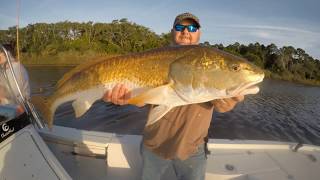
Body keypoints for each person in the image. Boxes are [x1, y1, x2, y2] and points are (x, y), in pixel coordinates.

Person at [103, 12, 244, 180]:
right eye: (180, 27)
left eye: (192, 28)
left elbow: (222, 105)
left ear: (199, 33)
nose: (185, 31)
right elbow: (143, 100)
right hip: (154, 145)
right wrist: (125, 98)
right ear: (172, 32)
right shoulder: (155, 60)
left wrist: (232, 96)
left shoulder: (208, 65)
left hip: (192, 149)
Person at [0, 44, 30, 115]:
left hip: (16, 111)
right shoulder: (4, 69)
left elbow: (11, 93)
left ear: (7, 54)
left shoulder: (16, 68)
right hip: (6, 108)